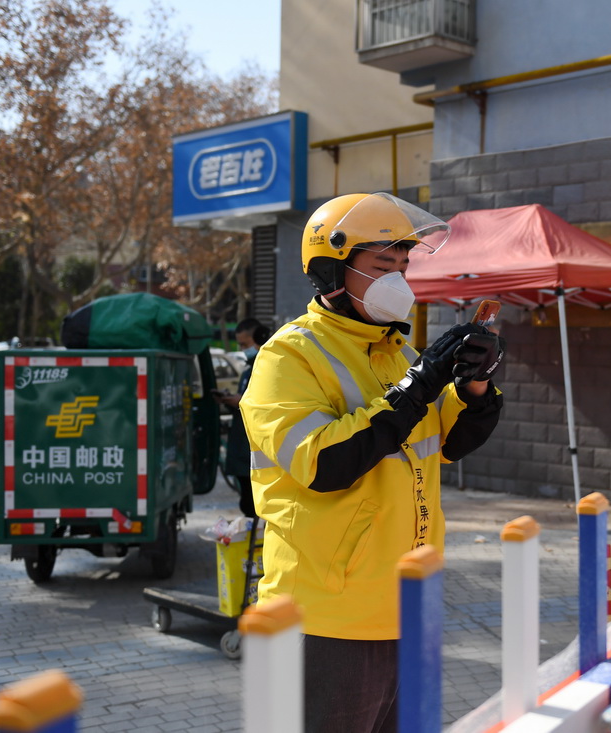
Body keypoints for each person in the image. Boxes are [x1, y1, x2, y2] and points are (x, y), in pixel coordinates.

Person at [240, 192, 504, 732]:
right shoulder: (288, 356)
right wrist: (420, 383)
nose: (399, 281)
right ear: (332, 269)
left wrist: (473, 386)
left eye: (404, 266)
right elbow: (327, 462)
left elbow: (447, 440)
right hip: (326, 616)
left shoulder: (395, 354)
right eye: (384, 265)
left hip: (407, 607)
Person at [213, 318, 271, 518]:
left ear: (261, 338)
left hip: (255, 453)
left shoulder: (269, 367)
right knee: (247, 504)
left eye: (245, 344)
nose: (242, 349)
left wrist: (241, 401)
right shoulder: (248, 368)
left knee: (255, 507)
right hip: (243, 451)